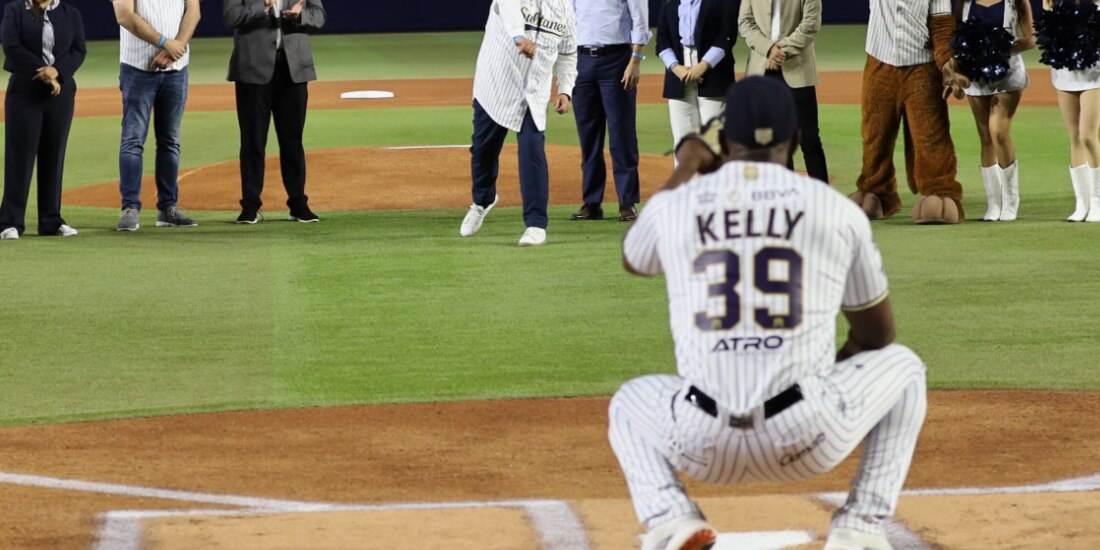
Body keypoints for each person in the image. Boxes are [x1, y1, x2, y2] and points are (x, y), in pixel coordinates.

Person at [609, 77, 928, 550]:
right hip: (806, 436)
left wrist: (690, 165)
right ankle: (859, 527)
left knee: (629, 403)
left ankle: (671, 518)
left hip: (701, 440)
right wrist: (812, 385)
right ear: (795, 140)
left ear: (724, 144)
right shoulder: (831, 208)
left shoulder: (679, 206)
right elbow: (877, 335)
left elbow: (634, 257)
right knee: (904, 368)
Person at [459, 0, 577, 247]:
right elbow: (510, 10)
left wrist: (565, 90)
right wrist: (518, 36)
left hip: (533, 93)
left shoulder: (566, 8)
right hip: (496, 84)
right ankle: (482, 201)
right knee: (483, 151)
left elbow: (568, 52)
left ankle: (535, 225)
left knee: (532, 152)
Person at [848, 0, 971, 224]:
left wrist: (947, 64)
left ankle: (940, 189)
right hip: (880, 62)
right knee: (875, 134)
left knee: (931, 135)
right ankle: (876, 189)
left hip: (922, 67)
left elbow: (941, 24)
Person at [224, 0, 326, 224]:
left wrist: (299, 17)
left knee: (293, 140)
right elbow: (232, 17)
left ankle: (298, 204)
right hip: (252, 68)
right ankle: (250, 205)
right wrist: (264, 6)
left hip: (294, 69)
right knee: (253, 140)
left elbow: (318, 16)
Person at [110, 0, 201, 232]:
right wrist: (164, 43)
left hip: (177, 68)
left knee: (170, 141)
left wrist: (177, 46)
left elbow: (194, 11)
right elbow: (124, 15)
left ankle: (168, 207)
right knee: (132, 140)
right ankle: (130, 207)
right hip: (137, 67)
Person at [0, 0, 85, 241]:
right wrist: (43, 71)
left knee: (54, 155)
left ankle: (50, 220)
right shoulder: (15, 10)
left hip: (61, 94)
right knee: (20, 157)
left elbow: (78, 50)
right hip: (25, 92)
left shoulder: (71, 14)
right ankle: (10, 221)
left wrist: (56, 71)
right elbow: (12, 46)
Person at [568, 0, 649, 223]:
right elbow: (569, 18)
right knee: (588, 137)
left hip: (617, 60)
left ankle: (627, 202)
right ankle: (592, 203)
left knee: (621, 133)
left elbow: (640, 20)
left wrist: (636, 60)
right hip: (581, 60)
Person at [956, 0, 1034, 222]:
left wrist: (998, 50)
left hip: (1008, 73)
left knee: (997, 131)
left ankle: (1010, 199)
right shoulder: (965, 2)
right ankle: (994, 202)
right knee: (985, 137)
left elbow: (1030, 39)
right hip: (976, 76)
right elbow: (955, 35)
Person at [738, 0, 829, 183]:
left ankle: (822, 199)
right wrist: (769, 48)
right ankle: (785, 199)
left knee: (809, 139)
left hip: (798, 70)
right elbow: (745, 22)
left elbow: (810, 23)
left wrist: (782, 51)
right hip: (763, 70)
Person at [655, 0, 738, 162]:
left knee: (714, 140)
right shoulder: (670, 3)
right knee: (682, 140)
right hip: (678, 74)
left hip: (714, 72)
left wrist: (704, 65)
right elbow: (662, 40)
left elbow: (727, 35)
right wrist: (675, 67)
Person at [1042, 0, 1100, 222]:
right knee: (1075, 137)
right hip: (1065, 74)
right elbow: (1046, 36)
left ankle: (1097, 201)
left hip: (1094, 74)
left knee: (1088, 136)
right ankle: (1082, 203)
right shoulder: (1053, 2)